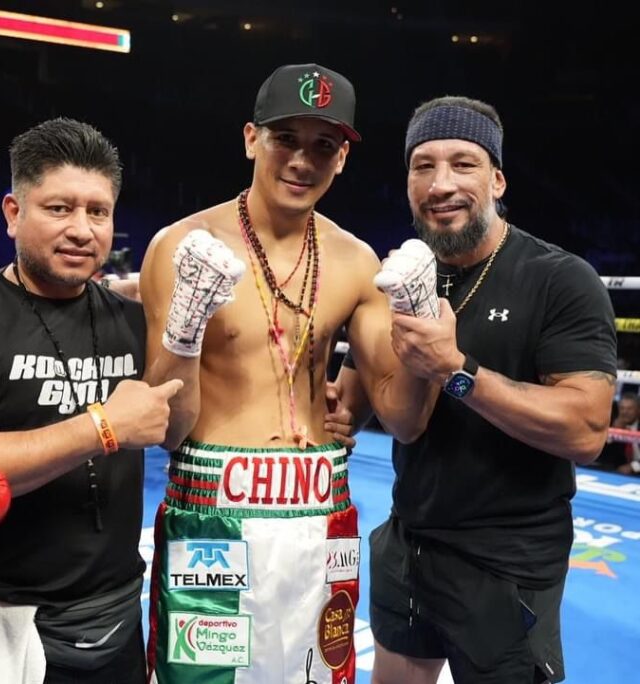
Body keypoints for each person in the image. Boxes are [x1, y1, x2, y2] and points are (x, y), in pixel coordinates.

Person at [141, 63, 435, 684]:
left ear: (343, 160)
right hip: (212, 515)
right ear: (252, 139)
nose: (304, 160)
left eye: (323, 146)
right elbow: (168, 429)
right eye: (287, 140)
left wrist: (419, 327)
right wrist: (187, 325)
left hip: (320, 515)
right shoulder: (181, 245)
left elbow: (405, 420)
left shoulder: (356, 261)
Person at [0, 117, 185, 684]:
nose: (82, 229)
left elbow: (178, 425)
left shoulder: (132, 320)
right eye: (59, 209)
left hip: (115, 616)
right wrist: (103, 427)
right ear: (13, 213)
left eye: (98, 211)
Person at [357, 95, 617, 684]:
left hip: (507, 566)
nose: (440, 183)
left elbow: (586, 429)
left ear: (497, 178)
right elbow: (390, 407)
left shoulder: (558, 279)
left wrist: (457, 370)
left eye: (462, 163)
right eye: (423, 166)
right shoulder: (403, 277)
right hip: (409, 543)